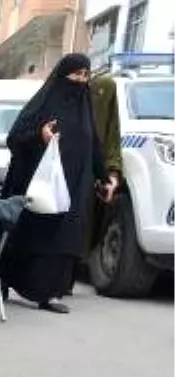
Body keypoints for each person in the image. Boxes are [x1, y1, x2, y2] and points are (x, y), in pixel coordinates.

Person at [0, 53, 115, 314]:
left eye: (86, 75)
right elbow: (14, 138)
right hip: (37, 185)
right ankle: (5, 280)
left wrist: (104, 178)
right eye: (76, 74)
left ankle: (50, 293)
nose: (81, 80)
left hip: (73, 188)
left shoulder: (85, 111)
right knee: (30, 235)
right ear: (63, 76)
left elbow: (93, 146)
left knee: (64, 237)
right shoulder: (42, 104)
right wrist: (40, 136)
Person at [81, 73, 124, 285]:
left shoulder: (111, 116)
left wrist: (112, 175)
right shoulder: (71, 101)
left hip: (91, 177)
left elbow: (111, 141)